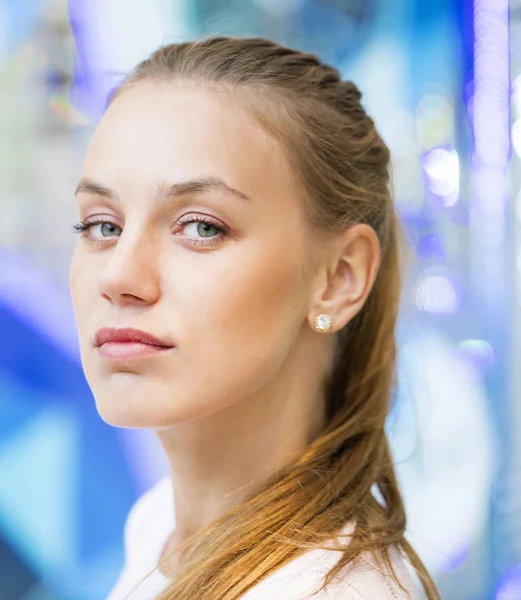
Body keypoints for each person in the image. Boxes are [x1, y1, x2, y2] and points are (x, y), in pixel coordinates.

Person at [69, 36, 440, 600]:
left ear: (338, 278)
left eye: (201, 227)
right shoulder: (156, 527)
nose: (119, 277)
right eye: (103, 225)